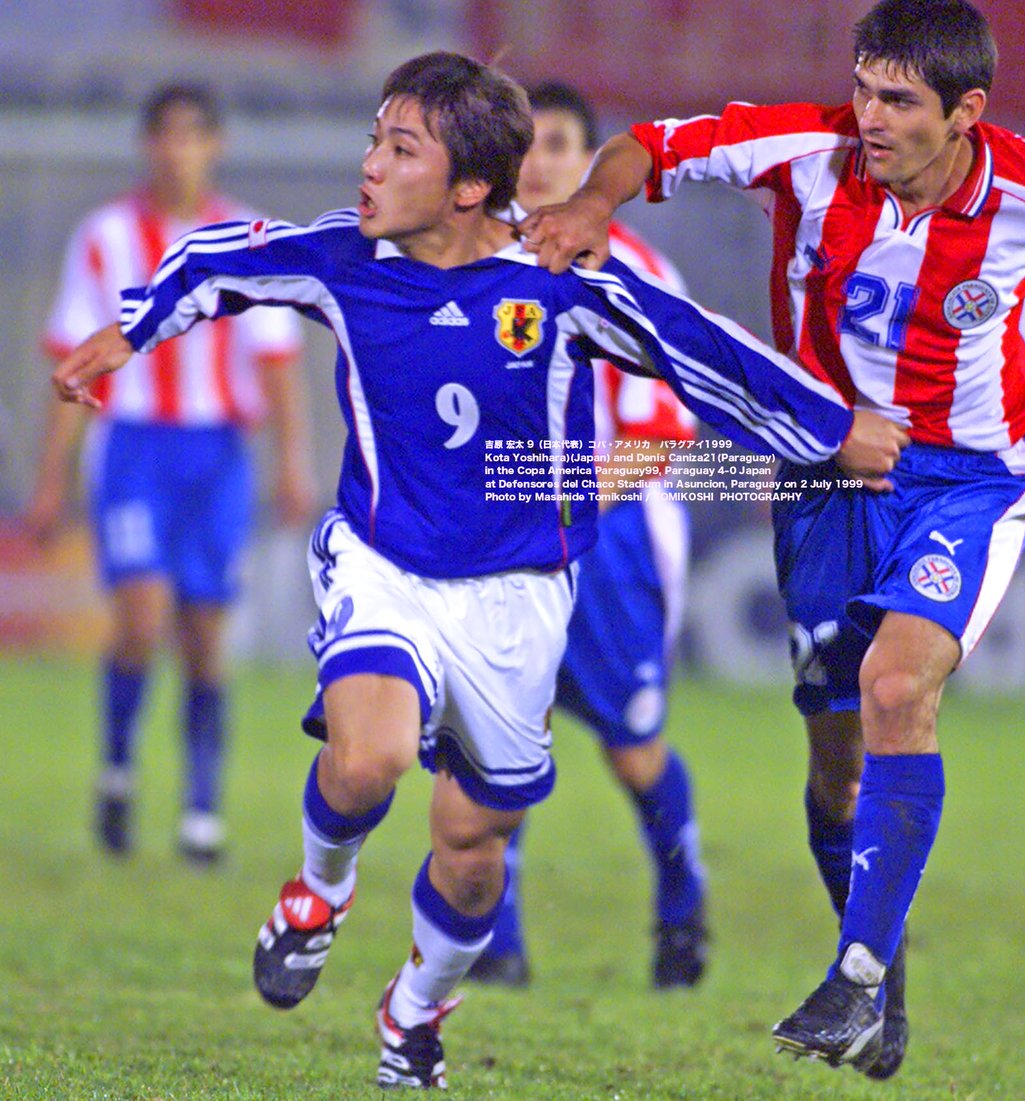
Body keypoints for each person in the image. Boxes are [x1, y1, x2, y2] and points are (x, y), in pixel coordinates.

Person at [51, 52, 908, 1090]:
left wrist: (830, 431)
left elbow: (701, 351)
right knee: (366, 760)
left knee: (471, 846)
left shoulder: (554, 286)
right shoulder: (345, 258)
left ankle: (413, 1012)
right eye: (374, 138)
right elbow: (221, 261)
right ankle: (320, 890)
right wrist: (125, 330)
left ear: (466, 187)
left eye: (397, 149)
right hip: (384, 559)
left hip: (519, 597)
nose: (366, 165)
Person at [519, 0, 1025, 1079]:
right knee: (836, 767)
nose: (870, 117)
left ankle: (859, 976)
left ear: (966, 112)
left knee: (896, 690)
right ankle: (879, 975)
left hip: (970, 480)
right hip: (827, 472)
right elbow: (647, 146)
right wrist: (598, 200)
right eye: (866, 88)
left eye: (899, 101)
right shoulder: (806, 147)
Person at [24, 83, 313, 865]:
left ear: (213, 144)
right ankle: (118, 770)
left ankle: (200, 808)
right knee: (141, 618)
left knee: (205, 633)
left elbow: (279, 362)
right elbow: (74, 359)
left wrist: (293, 462)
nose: (178, 150)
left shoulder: (247, 239)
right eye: (165, 135)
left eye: (193, 135)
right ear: (147, 144)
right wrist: (51, 479)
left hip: (217, 453)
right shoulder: (106, 237)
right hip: (134, 448)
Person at [466, 80, 708, 991]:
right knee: (499, 732)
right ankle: (500, 942)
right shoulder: (474, 261)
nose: (538, 162)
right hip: (498, 537)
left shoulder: (636, 269)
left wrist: (546, 495)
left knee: (632, 746)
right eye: (524, 143)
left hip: (612, 543)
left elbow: (652, 440)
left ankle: (683, 903)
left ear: (588, 160)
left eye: (559, 143)